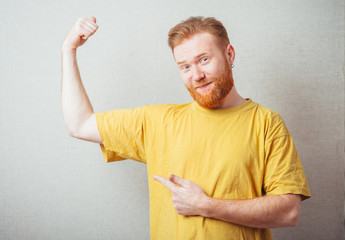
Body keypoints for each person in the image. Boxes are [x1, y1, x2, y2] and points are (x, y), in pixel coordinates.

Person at [61, 16, 311, 240]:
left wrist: (207, 206)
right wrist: (68, 50)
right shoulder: (157, 121)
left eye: (204, 60)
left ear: (229, 55)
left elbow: (289, 212)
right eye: (185, 66)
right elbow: (80, 124)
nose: (197, 75)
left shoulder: (266, 122)